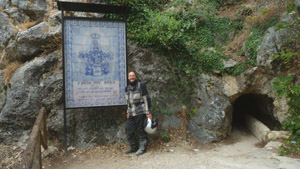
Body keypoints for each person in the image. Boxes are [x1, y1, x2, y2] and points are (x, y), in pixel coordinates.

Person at [125, 70, 152, 155]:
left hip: (140, 112)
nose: (131, 77)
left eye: (133, 75)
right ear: (128, 77)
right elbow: (128, 102)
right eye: (130, 76)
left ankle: (142, 148)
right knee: (128, 129)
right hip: (131, 113)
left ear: (135, 76)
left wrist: (147, 112)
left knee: (140, 130)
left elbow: (146, 99)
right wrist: (127, 112)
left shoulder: (141, 86)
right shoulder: (127, 88)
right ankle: (134, 147)